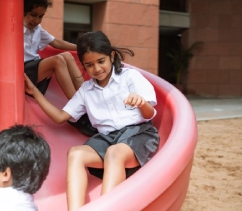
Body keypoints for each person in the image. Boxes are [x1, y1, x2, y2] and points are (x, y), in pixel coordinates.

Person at [24, 31, 160, 211]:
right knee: (76, 153)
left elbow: (149, 113)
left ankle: (106, 208)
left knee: (114, 152)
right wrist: (35, 92)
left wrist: (141, 102)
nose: (96, 69)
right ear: (83, 66)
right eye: (89, 65)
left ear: (111, 56)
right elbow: (60, 117)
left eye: (101, 61)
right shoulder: (86, 90)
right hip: (107, 138)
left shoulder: (129, 77)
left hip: (138, 133)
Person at [24, 0, 96, 135]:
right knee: (57, 60)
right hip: (23, 76)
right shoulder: (13, 27)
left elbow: (56, 42)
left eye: (40, 16)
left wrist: (81, 48)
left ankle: (90, 99)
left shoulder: (37, 29)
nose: (36, 20)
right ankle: (79, 112)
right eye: (32, 14)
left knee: (67, 56)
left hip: (37, 73)